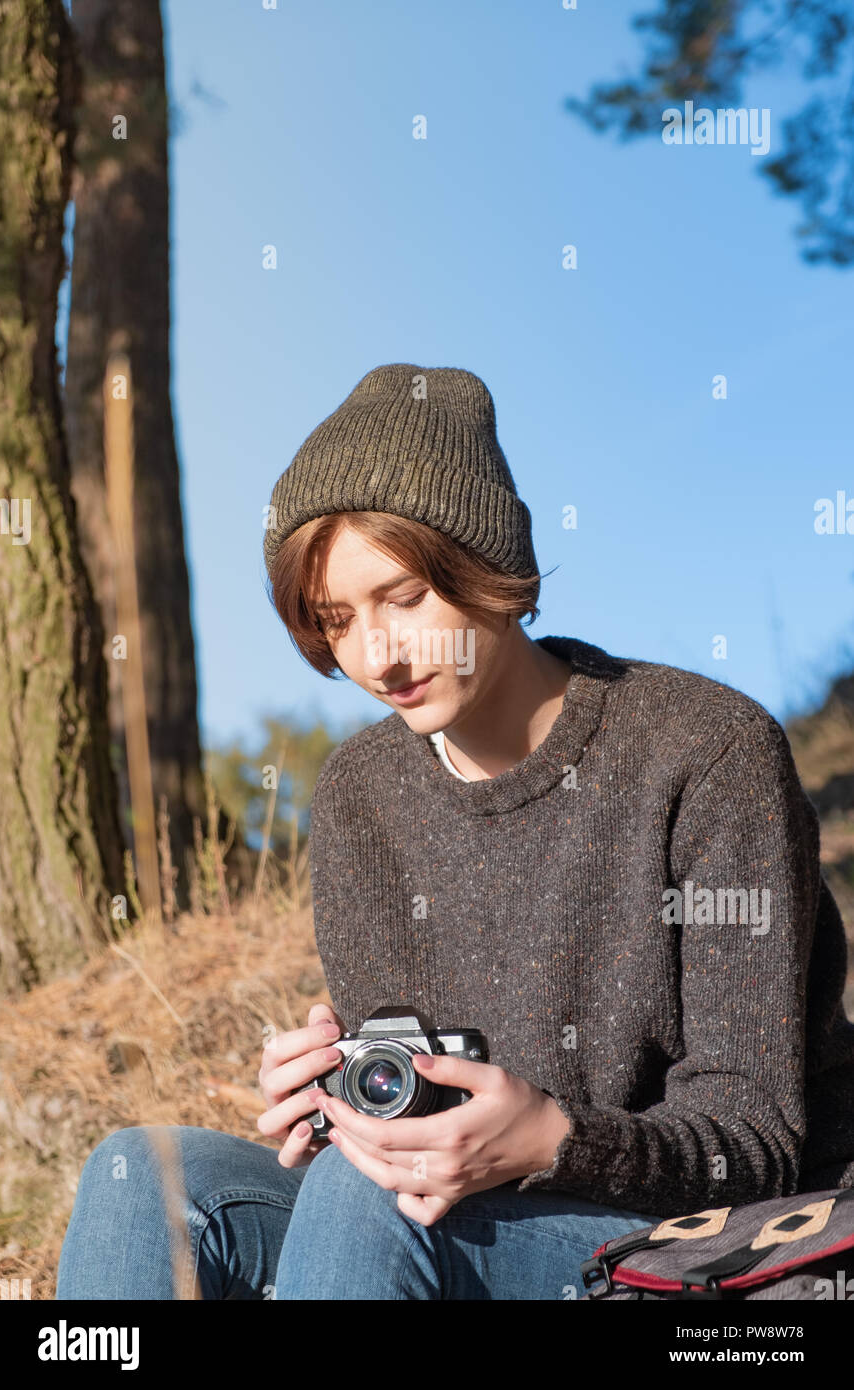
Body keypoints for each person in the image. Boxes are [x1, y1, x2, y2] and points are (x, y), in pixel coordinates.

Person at [57, 363, 854, 1300]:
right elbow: (412, 1126)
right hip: (443, 1211)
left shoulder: (707, 752)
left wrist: (552, 1139)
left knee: (370, 1190)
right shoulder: (360, 793)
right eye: (336, 620)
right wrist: (338, 1101)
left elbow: (755, 1144)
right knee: (139, 1176)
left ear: (483, 563)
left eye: (404, 597)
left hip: (698, 1243)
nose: (378, 656)